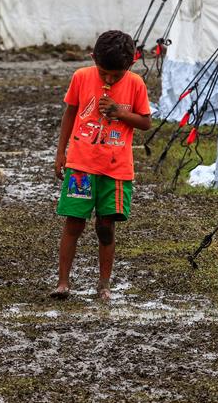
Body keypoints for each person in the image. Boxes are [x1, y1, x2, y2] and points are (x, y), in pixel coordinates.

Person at [51, 30, 152, 300]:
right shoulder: (81, 77)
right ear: (93, 58)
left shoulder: (135, 84)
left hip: (116, 170)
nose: (108, 79)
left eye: (115, 75)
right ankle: (63, 282)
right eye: (103, 72)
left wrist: (120, 112)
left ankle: (104, 284)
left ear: (130, 65)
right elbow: (70, 112)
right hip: (81, 165)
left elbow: (145, 122)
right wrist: (61, 152)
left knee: (106, 226)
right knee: (74, 222)